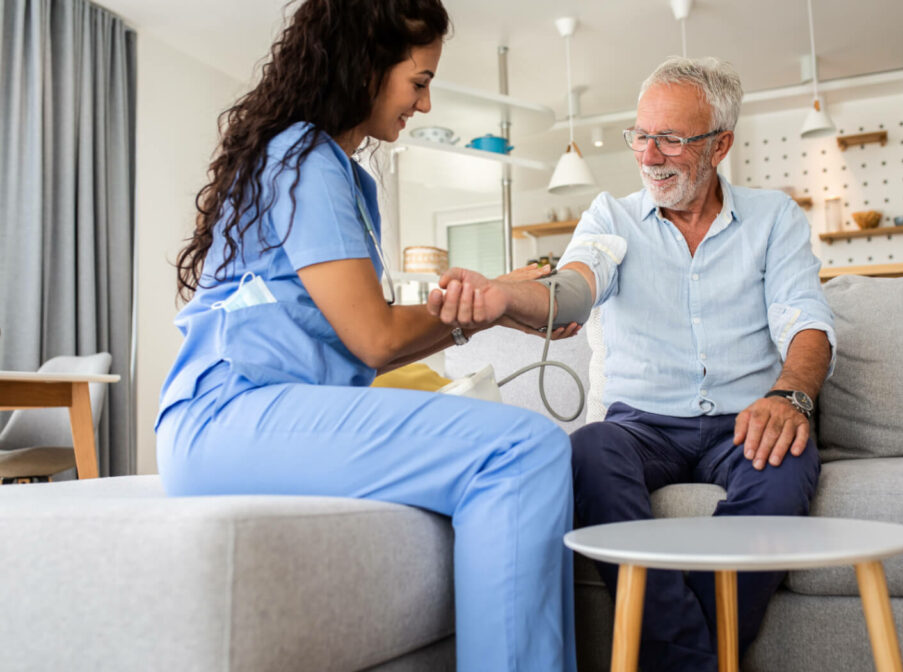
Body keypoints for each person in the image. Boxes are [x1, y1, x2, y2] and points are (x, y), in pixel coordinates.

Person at [155, 1, 578, 669]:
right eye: (419, 82)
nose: (426, 104)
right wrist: (494, 305)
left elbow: (363, 341)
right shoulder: (304, 156)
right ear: (366, 65)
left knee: (510, 444)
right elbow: (375, 338)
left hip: (248, 416)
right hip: (227, 415)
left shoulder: (332, 169)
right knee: (522, 450)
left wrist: (494, 305)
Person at [432, 56, 836, 671]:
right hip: (640, 426)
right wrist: (502, 294)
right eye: (641, 136)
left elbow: (806, 321)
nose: (649, 155)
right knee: (589, 450)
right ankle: (703, 661)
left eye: (671, 139)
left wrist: (790, 395)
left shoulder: (773, 218)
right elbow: (574, 288)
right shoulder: (610, 217)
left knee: (788, 461)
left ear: (720, 144)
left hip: (743, 419)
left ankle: (680, 656)